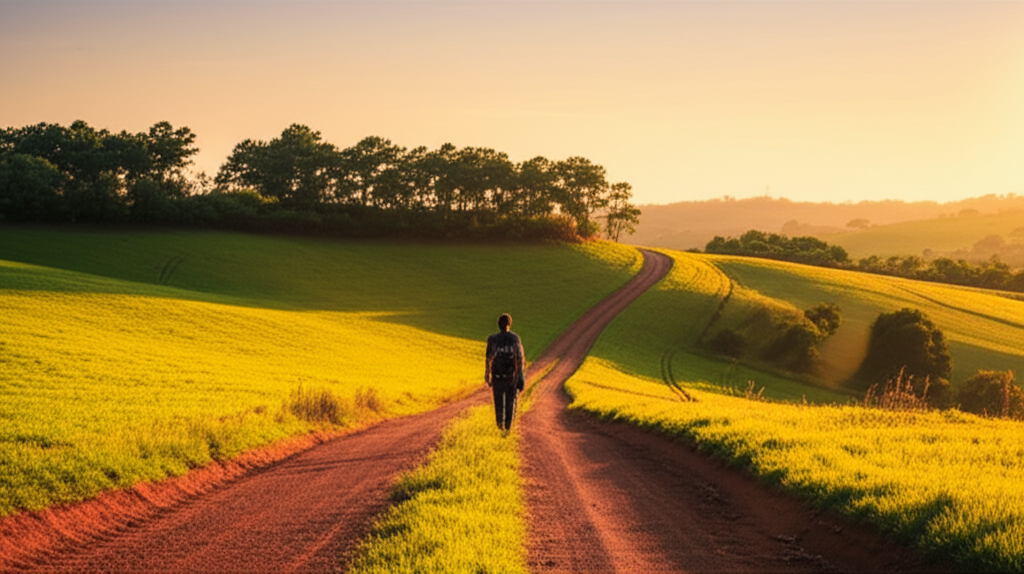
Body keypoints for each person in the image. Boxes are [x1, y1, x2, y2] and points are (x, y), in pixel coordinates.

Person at [485, 313, 525, 431]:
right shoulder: (514, 338)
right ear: (509, 324)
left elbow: (488, 358)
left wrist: (488, 375)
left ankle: (499, 427)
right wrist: (520, 376)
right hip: (511, 376)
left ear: (498, 325)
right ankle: (508, 428)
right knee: (510, 403)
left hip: (497, 376)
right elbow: (519, 357)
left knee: (498, 404)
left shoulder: (492, 339)